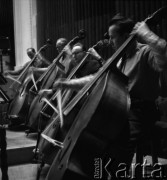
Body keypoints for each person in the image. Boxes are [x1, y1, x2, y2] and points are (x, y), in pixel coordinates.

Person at [51, 14, 167, 179]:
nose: (110, 41)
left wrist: (146, 33)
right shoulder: (119, 59)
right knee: (95, 138)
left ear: (126, 36)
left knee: (119, 143)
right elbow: (96, 79)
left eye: (113, 37)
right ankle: (99, 173)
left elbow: (163, 58)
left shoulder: (145, 52)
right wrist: (66, 83)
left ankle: (117, 174)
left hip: (142, 111)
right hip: (122, 111)